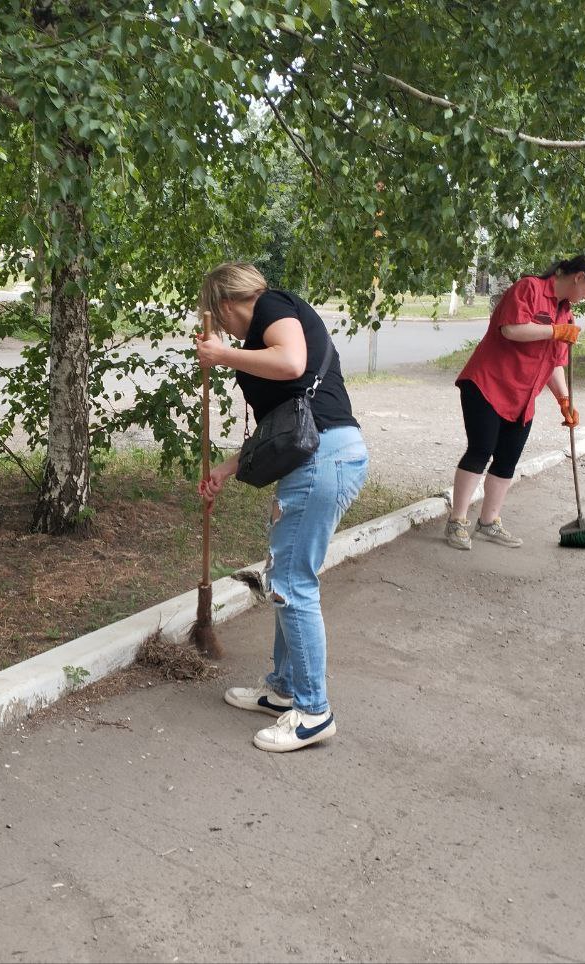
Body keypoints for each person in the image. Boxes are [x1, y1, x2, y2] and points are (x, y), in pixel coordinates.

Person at [196, 262, 368, 753]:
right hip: (317, 456)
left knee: (293, 583)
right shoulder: (257, 341)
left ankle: (313, 712)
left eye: (218, 316)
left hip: (326, 458)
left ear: (226, 304)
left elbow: (292, 364)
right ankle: (283, 691)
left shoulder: (273, 305)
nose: (223, 327)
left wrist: (223, 354)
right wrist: (225, 471)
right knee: (285, 574)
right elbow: (284, 425)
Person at [444, 255, 585, 551]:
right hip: (487, 384)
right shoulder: (529, 289)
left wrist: (564, 401)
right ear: (579, 277)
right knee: (481, 450)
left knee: (508, 458)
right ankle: (457, 521)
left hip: (523, 396)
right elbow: (512, 329)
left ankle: (488, 521)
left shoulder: (566, 315)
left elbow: (555, 364)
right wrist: (554, 331)